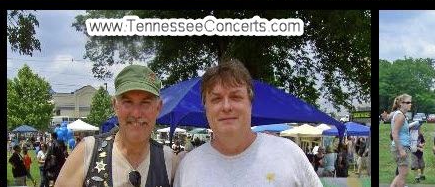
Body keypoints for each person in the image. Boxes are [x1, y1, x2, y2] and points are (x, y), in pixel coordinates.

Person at [172, 59, 318, 187]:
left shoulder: (289, 154)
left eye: (236, 97)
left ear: (250, 104)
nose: (226, 107)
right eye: (216, 99)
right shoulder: (188, 166)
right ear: (206, 108)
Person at [55, 63, 178, 187]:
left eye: (145, 103)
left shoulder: (169, 161)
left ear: (158, 107)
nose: (136, 113)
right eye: (127, 102)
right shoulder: (87, 152)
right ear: (115, 105)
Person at [389, 94, 414, 187]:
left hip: (401, 146)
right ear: (400, 104)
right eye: (407, 102)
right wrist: (401, 150)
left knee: (401, 174)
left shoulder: (399, 114)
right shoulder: (400, 116)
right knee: (403, 176)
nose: (410, 104)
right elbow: (394, 133)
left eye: (410, 102)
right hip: (401, 147)